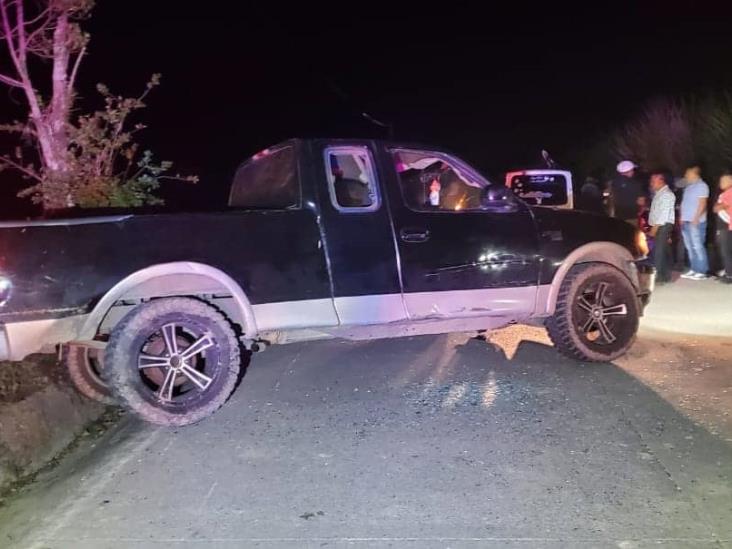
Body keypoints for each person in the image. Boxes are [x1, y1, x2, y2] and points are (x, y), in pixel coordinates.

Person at [678, 165, 710, 280]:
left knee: (697, 246)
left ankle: (702, 271)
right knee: (689, 247)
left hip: (696, 221)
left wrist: (697, 217)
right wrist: (681, 217)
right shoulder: (689, 186)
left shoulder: (702, 186)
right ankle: (694, 269)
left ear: (694, 173)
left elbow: (702, 203)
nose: (686, 175)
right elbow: (683, 203)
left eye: (688, 173)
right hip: (686, 220)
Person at [647, 172, 676, 283]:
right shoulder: (659, 193)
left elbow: (663, 214)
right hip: (661, 225)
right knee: (663, 249)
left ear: (661, 180)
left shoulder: (667, 194)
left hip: (663, 225)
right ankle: (665, 275)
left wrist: (655, 228)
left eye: (653, 181)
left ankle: (658, 276)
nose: (651, 183)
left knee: (659, 251)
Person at [608, 160, 646, 226]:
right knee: (630, 234)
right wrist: (641, 210)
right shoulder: (636, 184)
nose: (633, 172)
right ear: (629, 171)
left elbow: (610, 196)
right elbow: (641, 202)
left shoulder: (613, 182)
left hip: (618, 214)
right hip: (632, 216)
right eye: (632, 170)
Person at [713, 173, 732, 283]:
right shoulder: (724, 193)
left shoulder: (730, 192)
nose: (721, 183)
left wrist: (718, 206)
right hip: (723, 226)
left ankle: (729, 275)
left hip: (727, 226)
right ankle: (727, 271)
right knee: (724, 251)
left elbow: (719, 207)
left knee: (726, 251)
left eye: (724, 180)